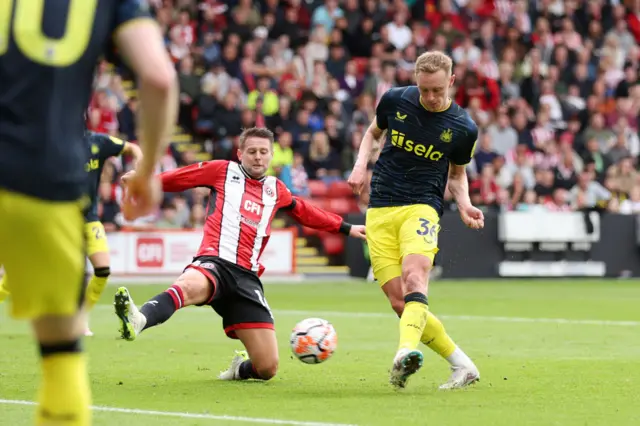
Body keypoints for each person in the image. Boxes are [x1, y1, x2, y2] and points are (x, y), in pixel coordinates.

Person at [0, 2, 177, 424]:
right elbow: (158, 77)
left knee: (97, 270)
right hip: (40, 176)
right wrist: (149, 170)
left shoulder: (100, 142)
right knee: (60, 356)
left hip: (50, 183)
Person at [114, 127, 366, 382]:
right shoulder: (222, 171)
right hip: (215, 261)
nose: (258, 157)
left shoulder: (275, 189)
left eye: (263, 152)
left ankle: (239, 369)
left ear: (271, 155)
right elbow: (181, 177)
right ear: (240, 153)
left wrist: (346, 227)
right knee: (189, 286)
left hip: (247, 279)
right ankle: (140, 318)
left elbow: (304, 211)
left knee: (267, 368)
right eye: (252, 151)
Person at [348, 51, 483, 390]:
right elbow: (372, 134)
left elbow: (456, 175)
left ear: (451, 81)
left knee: (414, 276)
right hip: (380, 207)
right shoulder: (395, 99)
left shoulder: (463, 128)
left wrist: (465, 205)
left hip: (422, 206)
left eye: (437, 90)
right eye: (425, 90)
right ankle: (463, 365)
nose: (431, 97)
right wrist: (360, 165)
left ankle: (404, 353)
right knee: (399, 302)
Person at [0, 131, 143, 337]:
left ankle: (80, 319)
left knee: (102, 270)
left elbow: (133, 149)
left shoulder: (99, 142)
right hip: (56, 218)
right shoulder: (50, 142)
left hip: (88, 219)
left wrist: (138, 168)